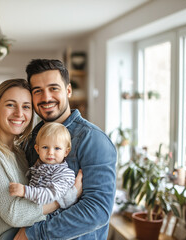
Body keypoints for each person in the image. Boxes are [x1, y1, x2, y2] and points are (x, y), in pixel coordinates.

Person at [10, 59, 117, 240]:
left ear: (68, 90)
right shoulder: (31, 137)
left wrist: (34, 234)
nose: (46, 97)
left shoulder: (92, 140)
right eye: (38, 91)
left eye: (54, 88)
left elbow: (97, 211)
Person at [0, 79, 82, 240]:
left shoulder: (19, 151)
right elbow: (15, 215)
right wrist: (65, 198)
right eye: (10, 105)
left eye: (26, 107)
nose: (19, 113)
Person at [9, 122, 78, 209]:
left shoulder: (64, 173)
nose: (50, 153)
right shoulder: (37, 168)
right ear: (37, 149)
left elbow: (50, 196)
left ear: (66, 152)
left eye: (57, 148)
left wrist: (25, 191)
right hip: (33, 212)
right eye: (45, 147)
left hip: (52, 217)